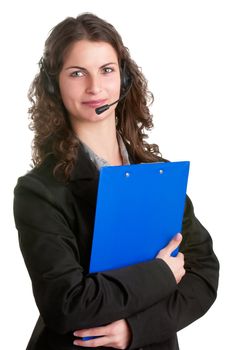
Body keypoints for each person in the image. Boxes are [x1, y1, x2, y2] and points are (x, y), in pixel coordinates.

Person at [14, 12, 219, 350]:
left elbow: (204, 274)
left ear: (123, 79)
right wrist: (162, 273)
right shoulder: (39, 191)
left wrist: (135, 329)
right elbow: (67, 305)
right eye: (78, 73)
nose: (95, 87)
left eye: (106, 70)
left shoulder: (157, 174)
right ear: (54, 85)